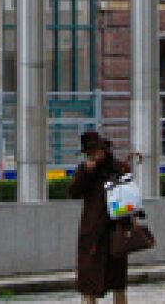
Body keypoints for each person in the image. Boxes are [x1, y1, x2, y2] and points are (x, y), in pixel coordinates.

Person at [71, 130, 129, 303]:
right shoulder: (85, 170)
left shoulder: (118, 168)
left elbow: (129, 197)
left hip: (114, 230)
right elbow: (74, 192)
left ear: (104, 150)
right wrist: (86, 173)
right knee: (89, 282)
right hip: (92, 232)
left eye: (95, 151)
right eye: (89, 153)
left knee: (118, 282)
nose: (93, 156)